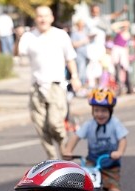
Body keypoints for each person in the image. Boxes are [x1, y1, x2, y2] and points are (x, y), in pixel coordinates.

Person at [18, 6, 81, 159]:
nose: (42, 19)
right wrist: (18, 37)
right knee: (40, 126)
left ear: (51, 18)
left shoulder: (60, 35)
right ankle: (52, 159)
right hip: (37, 86)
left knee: (55, 123)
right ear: (35, 18)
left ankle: (64, 148)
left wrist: (75, 76)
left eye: (46, 16)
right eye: (39, 16)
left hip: (56, 85)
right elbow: (18, 53)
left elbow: (70, 58)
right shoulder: (29, 36)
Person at [63, 88, 129, 191]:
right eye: (97, 110)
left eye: (104, 111)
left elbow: (123, 139)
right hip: (92, 162)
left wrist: (119, 152)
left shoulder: (114, 124)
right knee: (83, 183)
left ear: (110, 111)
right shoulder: (89, 125)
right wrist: (68, 150)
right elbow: (76, 136)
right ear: (92, 111)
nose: (100, 114)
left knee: (113, 188)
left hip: (110, 162)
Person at [71, 18, 90, 87]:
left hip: (86, 55)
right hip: (79, 55)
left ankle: (84, 85)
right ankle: (79, 86)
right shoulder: (75, 34)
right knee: (81, 71)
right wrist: (83, 42)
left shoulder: (85, 33)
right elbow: (73, 44)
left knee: (85, 71)